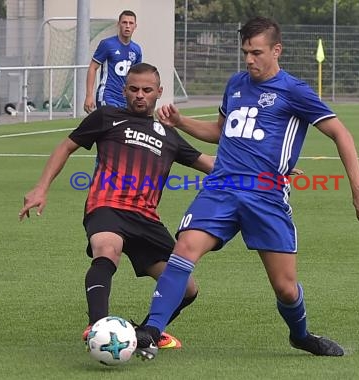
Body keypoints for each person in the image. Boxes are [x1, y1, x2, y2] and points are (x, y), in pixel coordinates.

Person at [134, 16, 359, 360]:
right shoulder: (235, 84)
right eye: (245, 52)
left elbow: (341, 134)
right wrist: (181, 122)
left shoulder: (294, 91)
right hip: (222, 186)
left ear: (276, 50)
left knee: (285, 287)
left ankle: (301, 335)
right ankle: (152, 330)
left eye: (257, 52)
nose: (249, 59)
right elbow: (220, 131)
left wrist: (358, 186)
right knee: (185, 248)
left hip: (266, 195)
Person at [19, 63, 215, 350]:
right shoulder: (107, 117)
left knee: (186, 288)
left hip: (146, 218)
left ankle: (147, 333)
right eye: (133, 89)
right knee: (107, 250)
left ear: (158, 92)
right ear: (124, 90)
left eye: (147, 90)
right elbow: (66, 146)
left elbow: (210, 164)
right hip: (107, 205)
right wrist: (41, 187)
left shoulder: (168, 134)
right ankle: (98, 327)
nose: (139, 95)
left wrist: (268, 173)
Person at [83, 10, 142, 114]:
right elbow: (93, 67)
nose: (127, 26)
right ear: (118, 24)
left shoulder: (136, 49)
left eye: (131, 23)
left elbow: (136, 77)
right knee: (111, 126)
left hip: (126, 99)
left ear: (135, 26)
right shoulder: (107, 44)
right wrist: (89, 95)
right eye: (124, 22)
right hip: (108, 96)